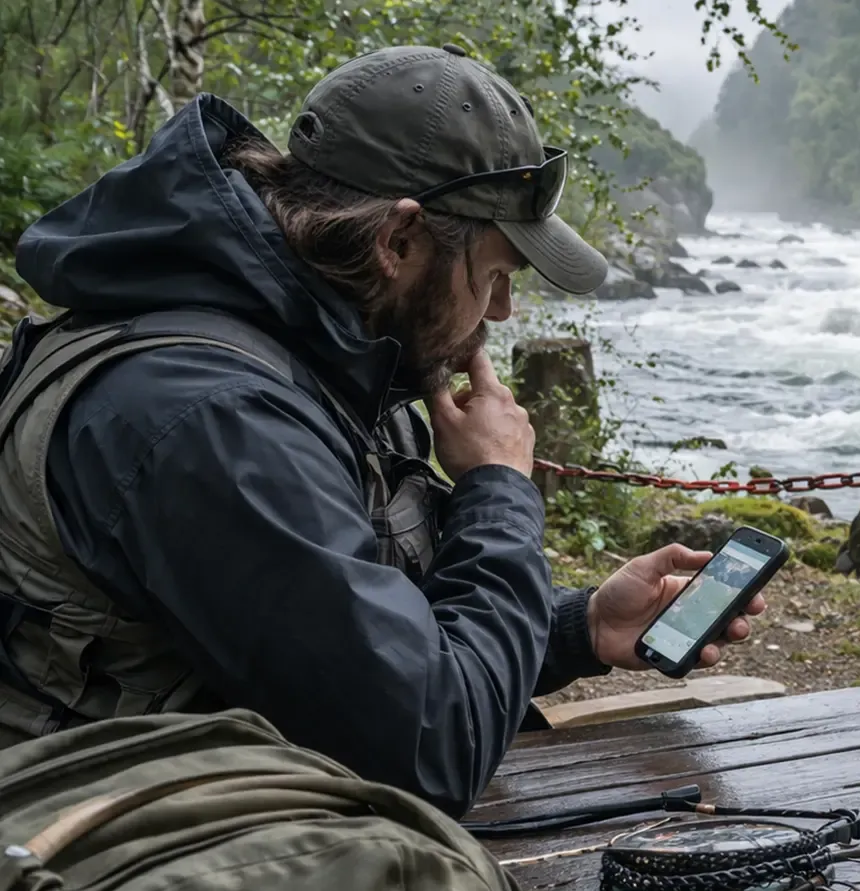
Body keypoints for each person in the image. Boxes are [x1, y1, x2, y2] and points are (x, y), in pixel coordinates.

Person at [0, 44, 765, 817]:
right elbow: (430, 750)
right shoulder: (213, 417)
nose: (502, 311)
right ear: (398, 241)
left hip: (198, 815)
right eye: (496, 275)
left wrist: (579, 626)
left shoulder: (334, 353)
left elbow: (371, 644)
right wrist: (499, 490)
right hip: (82, 855)